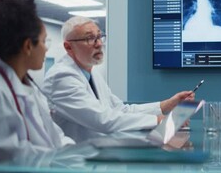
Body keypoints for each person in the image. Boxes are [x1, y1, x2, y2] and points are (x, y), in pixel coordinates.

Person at [42, 16, 195, 142]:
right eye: (90, 38)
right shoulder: (61, 77)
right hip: (72, 161)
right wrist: (158, 120)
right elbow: (103, 120)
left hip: (95, 155)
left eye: (99, 36)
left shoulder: (91, 73)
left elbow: (120, 110)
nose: (99, 44)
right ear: (68, 47)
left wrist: (167, 105)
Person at [0, 0, 74, 164]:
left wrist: (80, 153)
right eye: (43, 41)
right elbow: (8, 156)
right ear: (28, 46)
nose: (46, 49)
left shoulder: (29, 87)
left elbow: (54, 137)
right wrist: (58, 158)